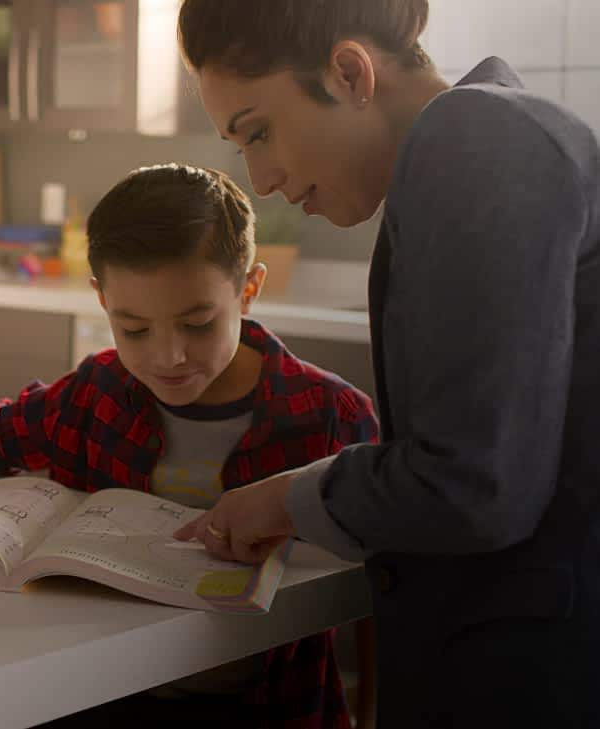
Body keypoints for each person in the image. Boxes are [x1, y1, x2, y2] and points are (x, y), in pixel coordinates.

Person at [172, 1, 600, 727]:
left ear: (347, 72)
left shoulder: (476, 135)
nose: (262, 176)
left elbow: (472, 482)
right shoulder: (478, 138)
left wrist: (290, 499)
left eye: (258, 132)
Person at [0, 164, 378, 727]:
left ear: (248, 290)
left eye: (197, 324)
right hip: (99, 691)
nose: (168, 357)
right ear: (101, 300)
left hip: (270, 705)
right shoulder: (96, 393)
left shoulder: (329, 418)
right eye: (135, 330)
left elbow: (392, 569)